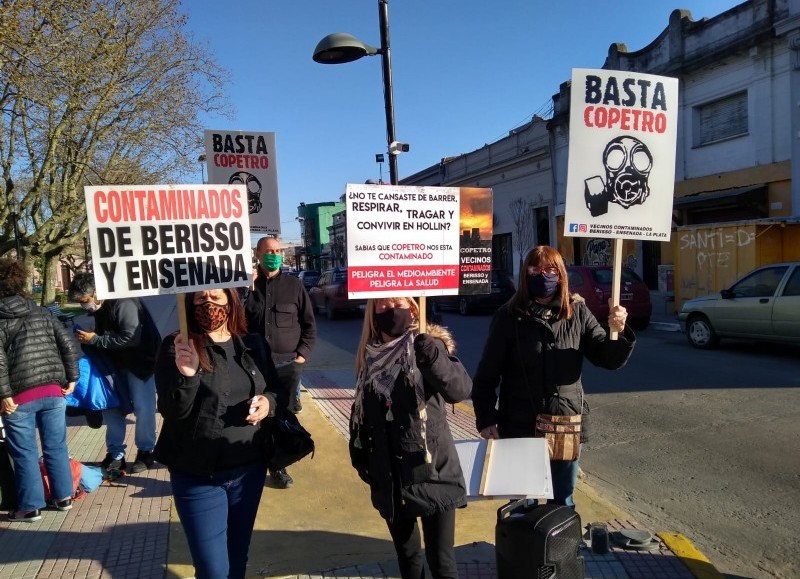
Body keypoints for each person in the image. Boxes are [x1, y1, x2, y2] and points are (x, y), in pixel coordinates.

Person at [471, 246, 636, 508]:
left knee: (562, 500)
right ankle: (523, 549)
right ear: (526, 274)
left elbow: (607, 358)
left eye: (549, 269)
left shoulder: (577, 312)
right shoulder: (508, 316)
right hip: (520, 425)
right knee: (521, 501)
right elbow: (487, 374)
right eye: (535, 269)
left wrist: (618, 331)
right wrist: (486, 418)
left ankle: (561, 548)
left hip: (565, 424)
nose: (542, 274)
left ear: (560, 275)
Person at [154, 288, 280, 579]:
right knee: (213, 570)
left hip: (249, 470)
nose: (208, 304)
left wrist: (269, 402)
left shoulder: (254, 343)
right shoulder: (178, 345)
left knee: (237, 558)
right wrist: (188, 376)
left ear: (231, 300)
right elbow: (173, 413)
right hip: (198, 474)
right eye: (200, 299)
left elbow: (276, 389)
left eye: (215, 297)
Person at [350, 296, 470, 579]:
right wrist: (362, 459)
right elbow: (365, 417)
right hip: (391, 478)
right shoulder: (368, 357)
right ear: (372, 313)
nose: (390, 310)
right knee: (409, 561)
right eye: (381, 305)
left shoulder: (428, 347)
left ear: (414, 308)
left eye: (398, 303)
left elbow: (460, 389)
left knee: (442, 564)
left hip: (433, 473)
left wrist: (433, 357)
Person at [0, 258, 81, 521]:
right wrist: (72, 377)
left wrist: (4, 394)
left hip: (18, 395)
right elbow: (67, 344)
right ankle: (63, 496)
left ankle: (30, 506)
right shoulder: (42, 311)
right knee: (56, 446)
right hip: (52, 390)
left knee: (24, 452)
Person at [68, 272, 158, 475]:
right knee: (112, 409)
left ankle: (145, 451)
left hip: (139, 364)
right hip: (114, 365)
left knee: (143, 408)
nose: (85, 306)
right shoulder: (103, 307)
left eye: (85, 301)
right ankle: (115, 454)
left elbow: (130, 337)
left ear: (96, 292)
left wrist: (95, 340)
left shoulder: (124, 301)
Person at [244, 236, 315, 489]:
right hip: (252, 366)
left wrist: (301, 358)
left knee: (279, 417)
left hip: (287, 366)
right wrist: (245, 287)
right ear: (258, 254)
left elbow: (309, 325)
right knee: (255, 415)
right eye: (269, 251)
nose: (274, 254)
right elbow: (234, 320)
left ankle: (277, 466)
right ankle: (256, 461)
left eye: (277, 251)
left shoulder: (294, 286)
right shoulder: (246, 285)